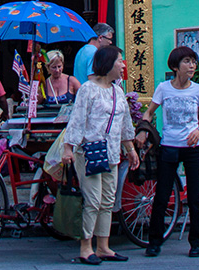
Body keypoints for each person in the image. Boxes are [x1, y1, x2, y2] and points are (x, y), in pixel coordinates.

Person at [61, 45, 140, 265]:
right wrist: (69, 147)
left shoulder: (117, 90)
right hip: (90, 152)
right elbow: (77, 120)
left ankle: (104, 246)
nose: (123, 65)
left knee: (107, 200)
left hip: (112, 152)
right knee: (93, 200)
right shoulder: (88, 89)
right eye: (119, 61)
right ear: (107, 63)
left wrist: (130, 149)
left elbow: (124, 124)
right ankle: (86, 247)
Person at [136, 45, 199, 258]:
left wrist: (198, 130)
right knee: (162, 195)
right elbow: (149, 113)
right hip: (169, 146)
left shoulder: (198, 90)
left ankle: (197, 243)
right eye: (187, 61)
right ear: (175, 67)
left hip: (194, 149)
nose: (192, 65)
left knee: (195, 197)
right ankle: (154, 242)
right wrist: (142, 130)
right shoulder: (163, 88)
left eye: (193, 61)